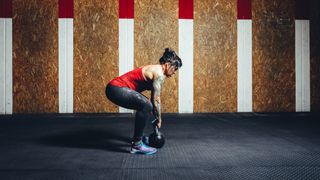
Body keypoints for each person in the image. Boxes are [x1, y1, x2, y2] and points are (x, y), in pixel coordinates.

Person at [105, 48, 182, 155]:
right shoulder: (159, 74)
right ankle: (137, 144)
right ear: (168, 65)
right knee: (146, 105)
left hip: (114, 89)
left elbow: (155, 98)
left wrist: (157, 116)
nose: (174, 73)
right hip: (116, 88)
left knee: (146, 105)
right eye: (175, 69)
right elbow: (155, 100)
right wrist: (159, 118)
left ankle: (138, 139)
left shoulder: (156, 70)